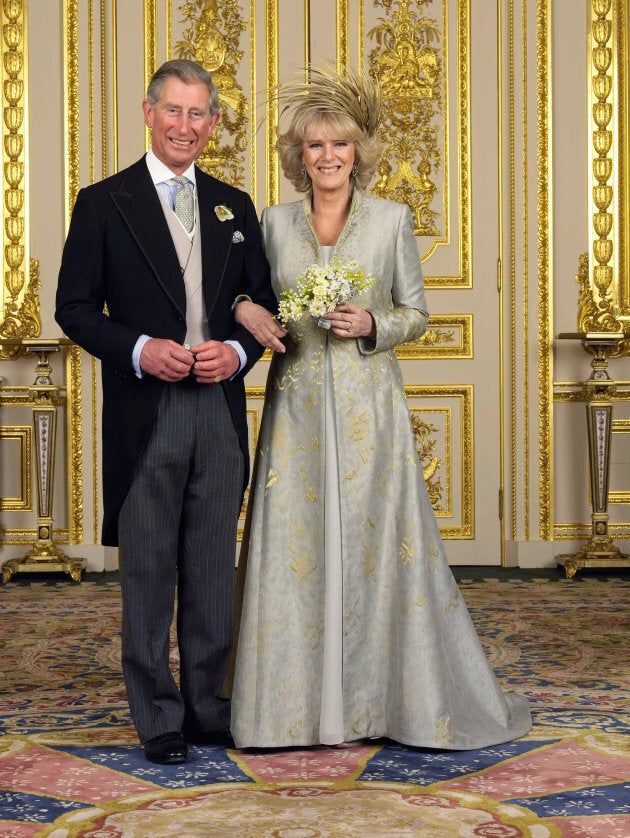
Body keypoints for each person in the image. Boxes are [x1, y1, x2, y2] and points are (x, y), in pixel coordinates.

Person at [229, 68, 531, 750]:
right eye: (314, 147)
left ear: (358, 152)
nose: (328, 157)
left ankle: (379, 705)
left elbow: (417, 314)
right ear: (297, 156)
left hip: (372, 415)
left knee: (373, 547)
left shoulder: (392, 219)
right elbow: (245, 297)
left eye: (339, 145)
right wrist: (254, 312)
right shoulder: (272, 225)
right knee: (296, 550)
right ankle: (286, 713)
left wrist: (371, 323)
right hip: (297, 411)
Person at [55, 59, 278, 765]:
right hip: (146, 410)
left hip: (216, 408)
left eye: (198, 114)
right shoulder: (102, 202)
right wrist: (141, 348)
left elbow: (259, 304)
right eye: (174, 111)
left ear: (213, 124)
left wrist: (238, 356)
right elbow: (75, 309)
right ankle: (157, 716)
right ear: (148, 113)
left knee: (213, 567)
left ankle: (208, 706)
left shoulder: (233, 204)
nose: (186, 126)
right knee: (149, 569)